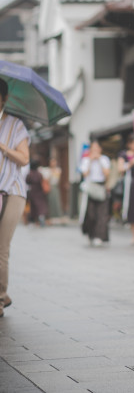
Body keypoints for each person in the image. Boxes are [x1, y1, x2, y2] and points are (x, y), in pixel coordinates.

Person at [0, 78, 30, 316]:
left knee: (1, 247)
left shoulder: (15, 125)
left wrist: (3, 147)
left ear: (5, 99)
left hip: (12, 191)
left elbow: (24, 158)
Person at [80, 140, 111, 247]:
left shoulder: (104, 159)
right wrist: (90, 161)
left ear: (100, 149)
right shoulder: (85, 160)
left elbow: (107, 174)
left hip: (101, 186)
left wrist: (99, 160)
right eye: (93, 148)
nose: (95, 151)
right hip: (90, 187)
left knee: (102, 214)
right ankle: (91, 234)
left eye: (97, 148)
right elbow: (84, 174)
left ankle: (100, 236)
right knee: (91, 214)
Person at [25, 160, 49, 226]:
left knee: (33, 207)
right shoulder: (39, 174)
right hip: (40, 192)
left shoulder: (30, 174)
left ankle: (33, 221)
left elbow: (27, 181)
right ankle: (41, 218)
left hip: (32, 192)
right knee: (41, 206)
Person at [41, 156, 63, 223]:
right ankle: (50, 216)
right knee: (50, 202)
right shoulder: (47, 170)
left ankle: (58, 216)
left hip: (55, 187)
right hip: (50, 187)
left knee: (57, 201)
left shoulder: (58, 170)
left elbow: (58, 180)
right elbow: (46, 179)